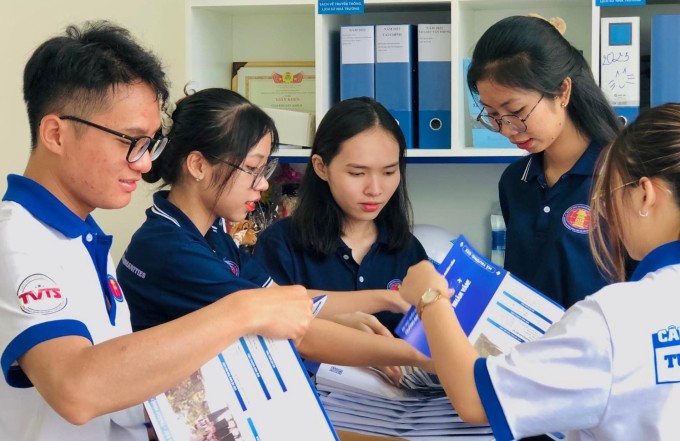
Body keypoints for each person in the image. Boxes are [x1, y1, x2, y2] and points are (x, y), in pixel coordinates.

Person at [0, 22, 313, 441]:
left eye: (149, 144)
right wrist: (244, 310)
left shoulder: (82, 237)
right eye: (129, 141)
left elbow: (115, 387)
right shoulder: (17, 240)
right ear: (56, 133)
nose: (145, 164)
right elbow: (76, 388)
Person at [399, 103, 680, 440]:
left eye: (609, 195)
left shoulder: (615, 319)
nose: (606, 210)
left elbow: (475, 401)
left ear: (645, 195)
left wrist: (431, 297)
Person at [116, 88, 432, 382]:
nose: (263, 184)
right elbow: (293, 332)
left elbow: (281, 299)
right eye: (252, 169)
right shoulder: (172, 250)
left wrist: (386, 299)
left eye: (264, 170)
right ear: (198, 165)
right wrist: (428, 356)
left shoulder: (210, 235)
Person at [467, 15, 623, 308]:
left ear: (562, 91)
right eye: (493, 116)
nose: (506, 129)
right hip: (525, 351)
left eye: (516, 110)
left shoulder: (622, 174)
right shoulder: (515, 181)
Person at [253, 97, 428, 333]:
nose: (375, 190)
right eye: (357, 173)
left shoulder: (408, 249)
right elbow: (267, 328)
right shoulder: (281, 245)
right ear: (321, 167)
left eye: (389, 172)